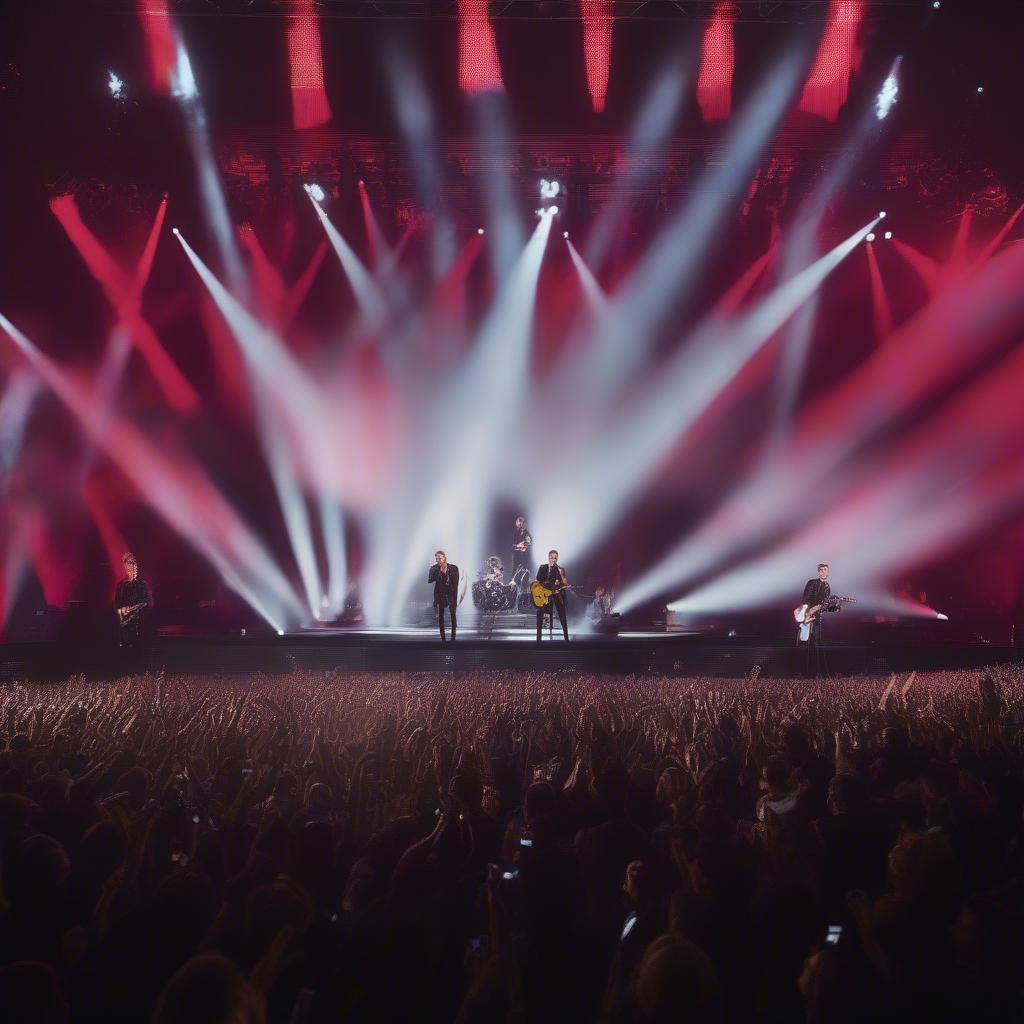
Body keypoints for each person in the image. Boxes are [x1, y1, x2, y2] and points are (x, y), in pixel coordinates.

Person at [797, 562, 840, 674]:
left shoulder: (827, 587)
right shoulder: (812, 583)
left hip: (818, 619)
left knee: (817, 642)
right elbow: (806, 599)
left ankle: (816, 672)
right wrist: (808, 612)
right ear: (819, 571)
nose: (823, 571)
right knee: (804, 642)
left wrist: (835, 607)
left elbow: (825, 607)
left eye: (825, 569)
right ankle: (803, 671)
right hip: (808, 616)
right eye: (822, 569)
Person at [114, 551, 153, 647]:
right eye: (128, 562)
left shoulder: (142, 583)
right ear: (124, 565)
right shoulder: (120, 585)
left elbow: (149, 603)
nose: (130, 565)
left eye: (133, 562)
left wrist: (133, 609)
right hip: (125, 625)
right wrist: (122, 610)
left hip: (140, 624)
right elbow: (117, 605)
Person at [535, 549, 570, 642]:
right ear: (548, 557)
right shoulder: (543, 567)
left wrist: (560, 581)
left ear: (557, 559)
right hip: (545, 594)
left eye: (555, 558)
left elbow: (565, 583)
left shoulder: (560, 569)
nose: (553, 559)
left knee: (562, 612)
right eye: (552, 557)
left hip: (556, 593)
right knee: (540, 610)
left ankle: (566, 638)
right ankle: (538, 639)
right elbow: (538, 580)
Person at [427, 551, 459, 642]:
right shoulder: (434, 568)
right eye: (436, 558)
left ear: (444, 558)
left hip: (451, 594)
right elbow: (429, 580)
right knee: (441, 616)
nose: (438, 560)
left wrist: (445, 573)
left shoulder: (453, 568)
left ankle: (453, 637)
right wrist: (435, 571)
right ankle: (443, 639)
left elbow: (455, 582)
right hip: (440, 593)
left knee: (453, 615)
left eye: (439, 558)